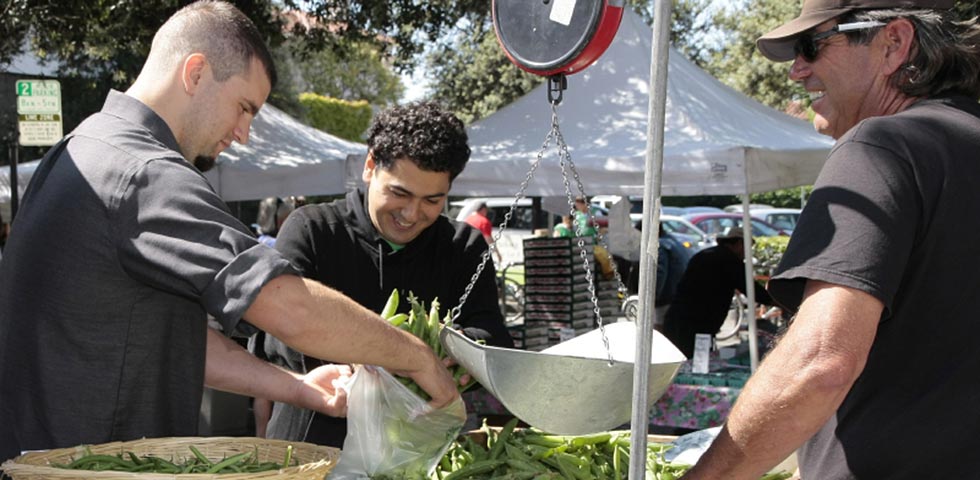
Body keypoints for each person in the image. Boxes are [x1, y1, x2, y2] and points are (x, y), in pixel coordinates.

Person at [0, 1, 457, 463]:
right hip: (91, 466)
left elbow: (177, 341)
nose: (243, 133)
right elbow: (286, 305)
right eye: (244, 107)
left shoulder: (83, 146)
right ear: (195, 72)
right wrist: (416, 356)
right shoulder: (144, 172)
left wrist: (297, 387)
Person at [684, 1, 980, 479]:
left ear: (894, 43)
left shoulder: (882, 145)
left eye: (811, 46)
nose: (797, 71)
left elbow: (821, 363)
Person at [261, 101, 514, 447]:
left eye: (432, 200)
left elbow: (493, 337)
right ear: (369, 167)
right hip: (313, 445)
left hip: (414, 449)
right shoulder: (312, 229)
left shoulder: (462, 246)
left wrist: (452, 347)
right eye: (399, 193)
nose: (411, 214)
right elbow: (273, 335)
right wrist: (378, 360)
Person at [662, 227, 773, 357]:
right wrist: (780, 302)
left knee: (679, 362)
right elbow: (753, 291)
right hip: (698, 325)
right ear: (739, 244)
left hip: (678, 318)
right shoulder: (730, 261)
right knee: (697, 363)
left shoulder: (704, 255)